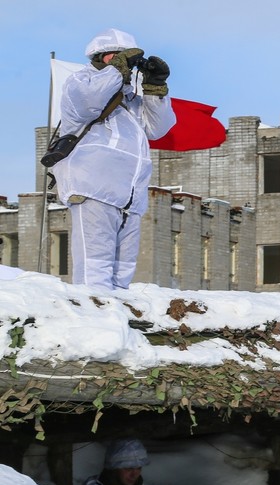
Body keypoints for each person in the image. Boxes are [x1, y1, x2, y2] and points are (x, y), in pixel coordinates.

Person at [50, 27, 176, 289]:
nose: (125, 62)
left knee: (123, 270)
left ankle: (117, 318)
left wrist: (155, 89)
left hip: (128, 195)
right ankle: (94, 319)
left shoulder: (129, 99)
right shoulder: (80, 82)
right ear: (99, 57)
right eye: (116, 56)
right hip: (93, 187)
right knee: (95, 266)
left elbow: (158, 128)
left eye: (128, 58)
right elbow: (89, 102)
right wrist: (116, 72)